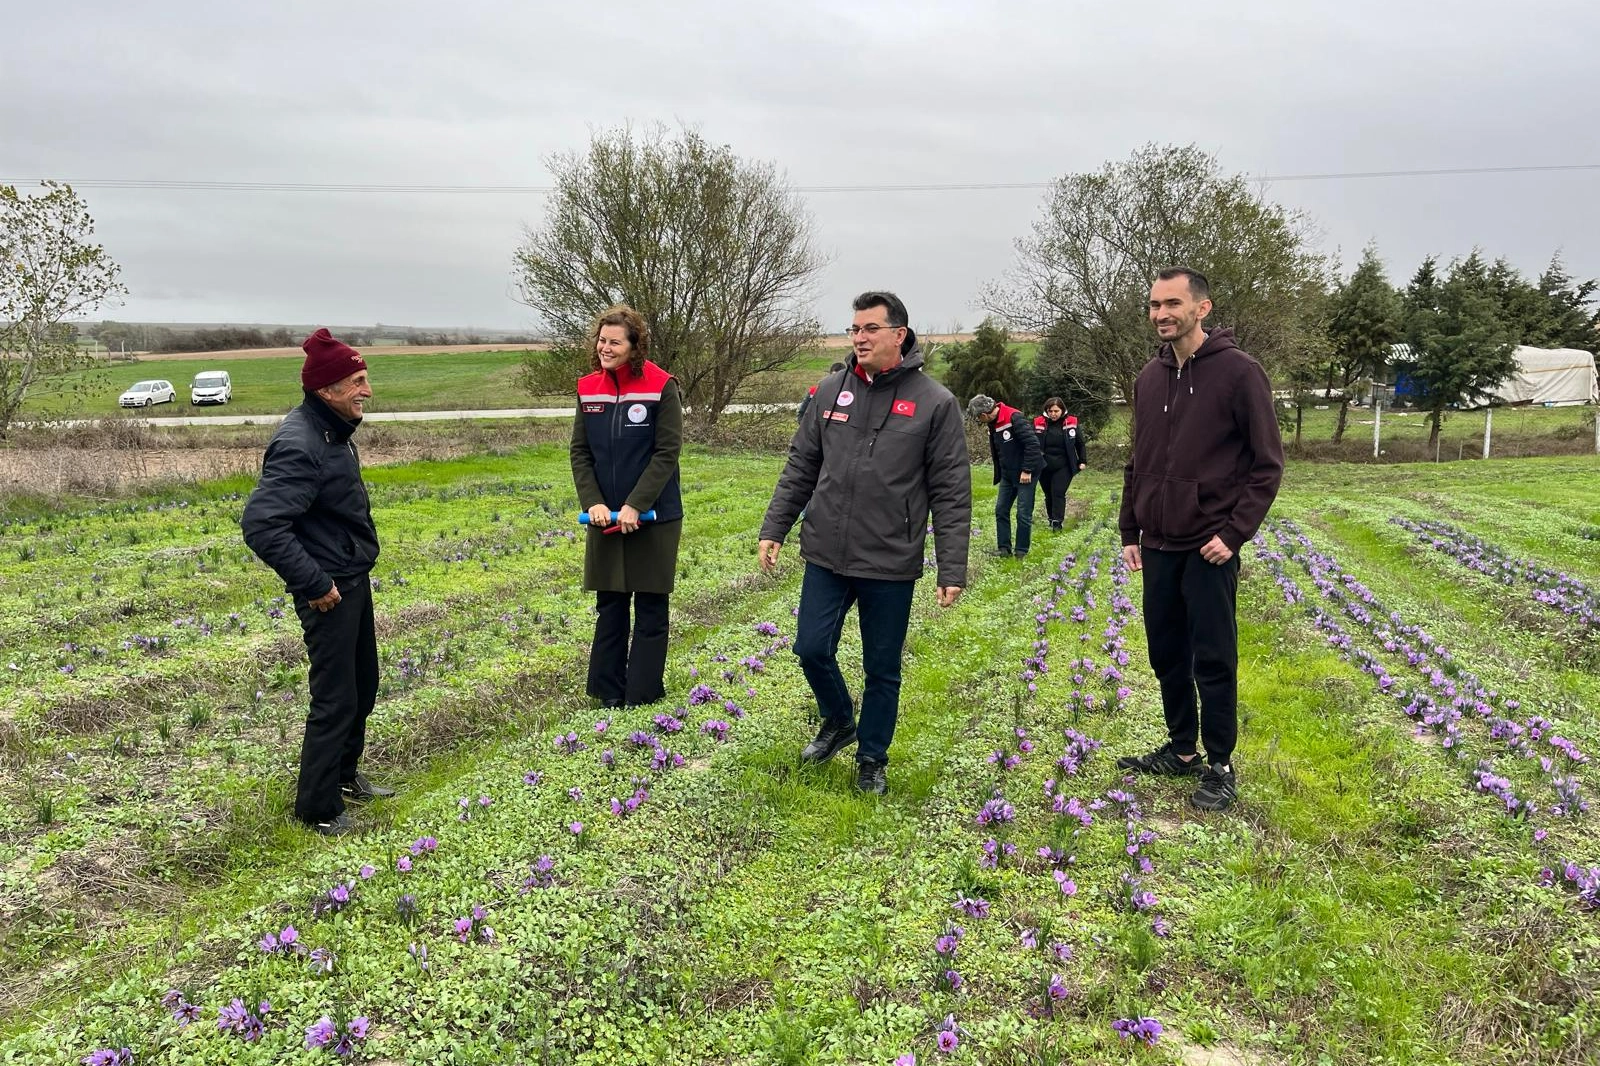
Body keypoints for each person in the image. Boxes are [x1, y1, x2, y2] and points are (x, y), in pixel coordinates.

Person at [758, 291, 971, 796]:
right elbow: (801, 465)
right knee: (811, 648)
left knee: (882, 668)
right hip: (826, 550)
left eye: (870, 328)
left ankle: (872, 758)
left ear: (899, 334)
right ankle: (838, 719)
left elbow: (951, 490)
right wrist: (774, 528)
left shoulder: (935, 403)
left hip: (889, 559)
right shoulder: (831, 391)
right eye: (854, 328)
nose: (859, 337)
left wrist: (951, 567)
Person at [1116, 267, 1284, 812]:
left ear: (1202, 308)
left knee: (1212, 658)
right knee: (1166, 653)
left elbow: (1266, 465)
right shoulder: (1149, 377)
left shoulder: (1240, 373)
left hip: (1208, 546)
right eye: (1154, 305)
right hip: (1158, 544)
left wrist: (1234, 534)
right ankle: (1182, 749)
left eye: (1172, 303)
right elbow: (1138, 459)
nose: (1161, 314)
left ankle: (1220, 764)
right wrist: (1130, 528)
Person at [242, 328, 387, 837]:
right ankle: (317, 808)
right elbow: (262, 525)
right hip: (329, 591)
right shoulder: (300, 442)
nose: (367, 390)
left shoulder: (332, 432)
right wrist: (315, 583)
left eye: (365, 378)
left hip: (350, 576)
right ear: (327, 389)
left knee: (363, 684)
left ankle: (344, 776)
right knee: (335, 697)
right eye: (357, 382)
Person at [571, 305, 684, 709]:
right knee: (611, 606)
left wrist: (637, 504)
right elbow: (580, 452)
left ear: (635, 346)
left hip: (655, 516)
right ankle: (608, 691)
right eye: (602, 340)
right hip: (604, 516)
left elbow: (667, 451)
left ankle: (642, 694)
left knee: (650, 606)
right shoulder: (588, 388)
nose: (605, 348)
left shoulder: (661, 385)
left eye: (615, 342)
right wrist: (593, 502)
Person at [966, 394, 1043, 558]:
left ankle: (1021, 551)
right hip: (1008, 473)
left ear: (984, 415)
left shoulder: (1014, 417)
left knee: (1023, 513)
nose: (979, 421)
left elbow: (1033, 444)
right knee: (1001, 510)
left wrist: (1027, 470)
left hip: (1026, 472)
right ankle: (1004, 549)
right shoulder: (993, 423)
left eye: (979, 418)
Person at [1034, 398, 1087, 531]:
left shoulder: (1071, 423)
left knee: (1058, 492)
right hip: (1044, 465)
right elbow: (1030, 442)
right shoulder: (1038, 423)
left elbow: (1080, 443)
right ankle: (1051, 518)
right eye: (1050, 411)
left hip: (1064, 464)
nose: (1053, 414)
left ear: (1062, 410)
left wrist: (1082, 461)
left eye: (1056, 411)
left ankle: (1057, 522)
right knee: (1048, 493)